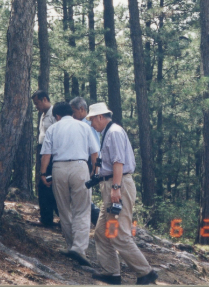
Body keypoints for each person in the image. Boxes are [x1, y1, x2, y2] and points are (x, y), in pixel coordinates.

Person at [87, 103, 158, 286]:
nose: (92, 124)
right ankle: (111, 273)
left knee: (120, 233)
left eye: (92, 119)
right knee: (102, 232)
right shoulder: (108, 133)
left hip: (118, 185)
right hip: (111, 185)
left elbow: (119, 162)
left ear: (100, 117)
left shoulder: (114, 132)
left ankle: (145, 272)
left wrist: (116, 188)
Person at [40, 102, 100, 267]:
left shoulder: (53, 129)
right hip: (80, 167)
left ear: (57, 116)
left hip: (59, 167)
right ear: (71, 113)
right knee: (82, 208)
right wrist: (95, 170)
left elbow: (46, 154)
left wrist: (43, 173)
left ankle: (70, 245)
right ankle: (79, 249)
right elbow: (94, 152)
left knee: (63, 208)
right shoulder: (83, 127)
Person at [70, 96, 101, 225]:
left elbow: (95, 148)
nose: (72, 115)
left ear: (82, 109)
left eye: (73, 112)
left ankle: (99, 220)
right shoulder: (82, 124)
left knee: (84, 194)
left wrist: (95, 168)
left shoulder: (87, 125)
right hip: (85, 161)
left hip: (89, 161)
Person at [32, 89, 57, 226]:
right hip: (42, 151)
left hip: (50, 154)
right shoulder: (43, 114)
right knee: (42, 184)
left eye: (37, 103)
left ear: (45, 100)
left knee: (46, 184)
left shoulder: (54, 114)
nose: (36, 106)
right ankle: (46, 218)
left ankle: (47, 219)